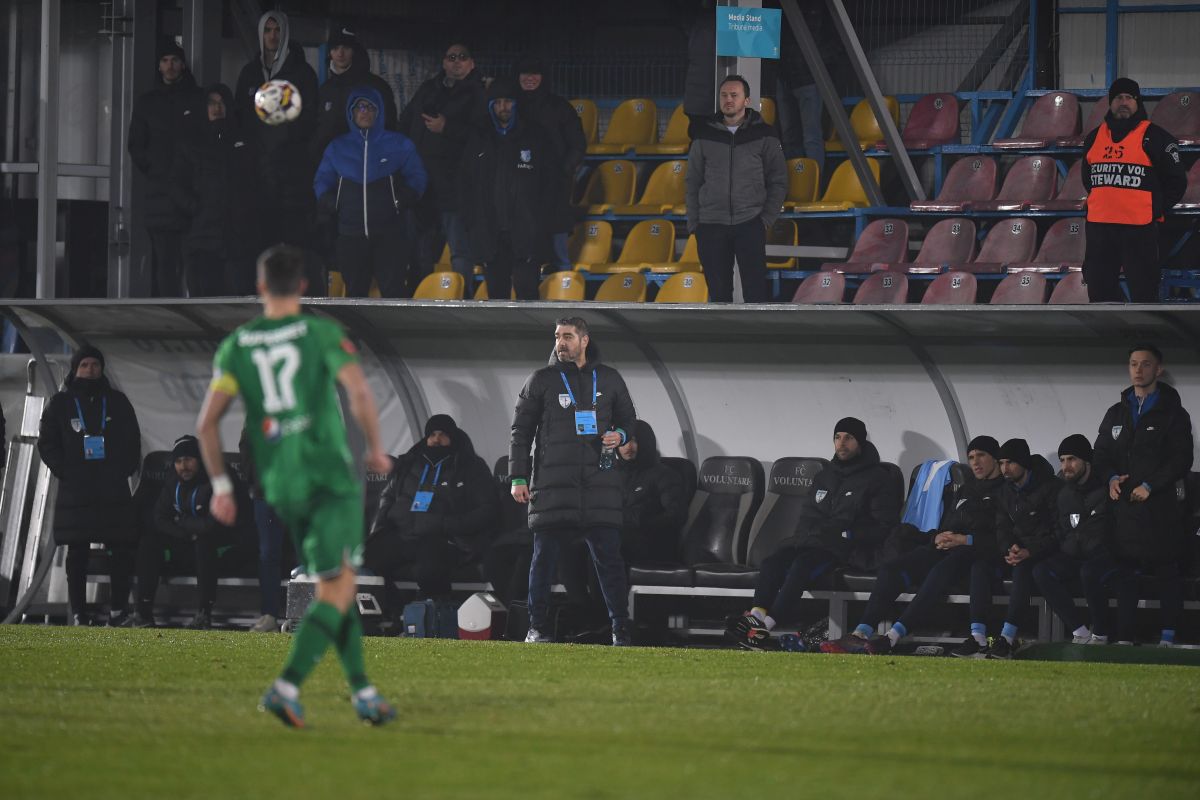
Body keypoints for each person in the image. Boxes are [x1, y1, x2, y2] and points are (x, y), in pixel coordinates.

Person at [196, 244, 396, 727]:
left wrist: (222, 486)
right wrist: (374, 447)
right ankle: (286, 688)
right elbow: (360, 391)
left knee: (336, 582)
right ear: (303, 286)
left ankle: (364, 692)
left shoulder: (237, 345)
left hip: (279, 482)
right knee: (338, 585)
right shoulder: (321, 333)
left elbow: (207, 426)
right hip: (326, 476)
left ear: (261, 287)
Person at [510, 317, 638, 646]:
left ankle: (620, 629)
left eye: (567, 336)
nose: (560, 342)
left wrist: (620, 435)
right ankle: (537, 628)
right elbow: (520, 433)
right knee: (542, 562)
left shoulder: (609, 378)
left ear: (584, 340)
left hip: (600, 487)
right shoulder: (540, 380)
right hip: (553, 488)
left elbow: (628, 419)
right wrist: (519, 477)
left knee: (610, 563)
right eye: (556, 336)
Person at [822, 435, 1006, 656]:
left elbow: (1004, 537)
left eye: (981, 456)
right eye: (971, 457)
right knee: (893, 568)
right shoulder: (965, 491)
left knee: (940, 571)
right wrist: (937, 538)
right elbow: (947, 525)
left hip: (976, 556)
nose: (975, 462)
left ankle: (892, 637)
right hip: (946, 549)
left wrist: (965, 540)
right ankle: (861, 632)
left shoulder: (1005, 492)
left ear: (995, 458)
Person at [727, 417, 902, 649]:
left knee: (803, 565)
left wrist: (847, 536)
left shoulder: (878, 479)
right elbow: (808, 515)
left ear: (860, 442)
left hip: (844, 550)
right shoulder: (824, 475)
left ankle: (765, 628)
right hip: (811, 542)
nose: (842, 443)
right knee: (772, 562)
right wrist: (803, 538)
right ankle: (756, 617)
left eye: (848, 438)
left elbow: (885, 526)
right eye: (837, 437)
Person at [1092, 343, 1193, 646]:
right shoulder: (1116, 412)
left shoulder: (1174, 413)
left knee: (1166, 572)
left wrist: (1150, 486)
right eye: (1133, 364)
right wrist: (1110, 478)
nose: (1138, 370)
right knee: (1124, 574)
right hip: (1124, 510)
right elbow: (1100, 454)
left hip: (1160, 509)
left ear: (1158, 370)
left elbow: (1181, 459)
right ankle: (1124, 638)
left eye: (1145, 364)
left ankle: (1168, 637)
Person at [37, 346, 141, 626]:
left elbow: (133, 440)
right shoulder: (60, 403)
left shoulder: (118, 402)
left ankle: (118, 612)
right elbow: (46, 442)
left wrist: (122, 470)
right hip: (76, 489)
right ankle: (80, 614)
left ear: (102, 368)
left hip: (112, 489)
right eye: (84, 364)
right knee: (77, 552)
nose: (90, 369)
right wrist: (65, 470)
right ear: (75, 369)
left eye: (95, 364)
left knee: (120, 550)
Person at [364, 413, 498, 603]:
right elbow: (388, 497)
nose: (436, 439)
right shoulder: (409, 463)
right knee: (366, 560)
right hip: (405, 535)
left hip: (445, 538)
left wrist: (445, 524)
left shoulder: (470, 466)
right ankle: (394, 613)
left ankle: (437, 617)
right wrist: (383, 528)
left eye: (442, 434)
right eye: (432, 434)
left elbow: (487, 510)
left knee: (429, 570)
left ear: (453, 436)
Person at [1081, 77, 1188, 302]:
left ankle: (1144, 337)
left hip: (1139, 229)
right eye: (1118, 97)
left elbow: (1176, 181)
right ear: (1110, 103)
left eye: (1130, 98)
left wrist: (1154, 208)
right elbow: (1088, 179)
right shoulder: (1094, 138)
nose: (1124, 102)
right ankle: (1108, 335)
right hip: (1100, 229)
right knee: (1099, 290)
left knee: (1144, 292)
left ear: (1138, 103)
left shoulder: (1156, 137)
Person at [314, 87, 427, 297]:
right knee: (355, 295)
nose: (365, 112)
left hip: (391, 235)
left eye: (370, 107)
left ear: (379, 112)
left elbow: (418, 176)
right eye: (359, 107)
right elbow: (322, 179)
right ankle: (356, 332)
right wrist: (331, 201)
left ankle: (394, 331)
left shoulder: (399, 144)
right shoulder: (338, 147)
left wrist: (403, 198)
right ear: (351, 112)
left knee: (393, 292)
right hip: (351, 235)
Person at [122, 435, 244, 629]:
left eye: (188, 459)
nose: (183, 466)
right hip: (187, 539)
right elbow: (160, 518)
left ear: (199, 459)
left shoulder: (218, 479)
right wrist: (186, 532)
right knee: (149, 543)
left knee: (205, 542)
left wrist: (182, 521)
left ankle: (204, 614)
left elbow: (214, 524)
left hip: (221, 546)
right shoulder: (173, 481)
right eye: (178, 461)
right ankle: (143, 613)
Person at [685, 75, 788, 303]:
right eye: (724, 95)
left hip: (750, 222)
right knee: (719, 295)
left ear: (746, 100)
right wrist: (694, 222)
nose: (728, 100)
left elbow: (779, 180)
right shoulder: (704, 134)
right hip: (710, 224)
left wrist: (766, 219)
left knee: (755, 294)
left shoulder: (765, 134)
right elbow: (692, 180)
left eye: (734, 95)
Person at [954, 438, 1059, 659]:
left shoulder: (1049, 488)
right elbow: (1001, 527)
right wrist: (1008, 547)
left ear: (1023, 463)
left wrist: (1028, 551)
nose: (1004, 469)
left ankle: (1007, 638)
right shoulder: (1006, 491)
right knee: (980, 566)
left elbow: (1055, 532)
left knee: (1024, 568)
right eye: (1001, 463)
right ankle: (978, 637)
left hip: (1041, 555)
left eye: (1010, 462)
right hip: (1014, 553)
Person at [233, 11, 320, 269]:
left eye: (277, 30)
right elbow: (241, 120)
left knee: (293, 243)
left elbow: (310, 119)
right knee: (260, 241)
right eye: (268, 30)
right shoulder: (249, 73)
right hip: (257, 175)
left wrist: (290, 149)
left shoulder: (303, 74)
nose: (272, 36)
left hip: (292, 175)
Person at [458, 78, 556, 301]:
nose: (503, 107)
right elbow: (465, 183)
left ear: (517, 104)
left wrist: (540, 221)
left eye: (508, 102)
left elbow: (550, 183)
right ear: (490, 105)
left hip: (526, 232)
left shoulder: (536, 135)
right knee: (496, 296)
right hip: (490, 233)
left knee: (528, 293)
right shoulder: (479, 137)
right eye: (498, 102)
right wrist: (471, 222)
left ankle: (531, 335)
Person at [398, 41, 485, 284]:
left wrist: (447, 127)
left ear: (471, 63)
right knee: (420, 248)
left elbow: (482, 135)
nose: (456, 61)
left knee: (459, 249)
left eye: (462, 57)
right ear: (444, 62)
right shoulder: (429, 88)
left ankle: (462, 301)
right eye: (451, 57)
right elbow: (405, 123)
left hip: (456, 183)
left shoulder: (479, 93)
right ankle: (420, 298)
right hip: (422, 182)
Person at [170, 83, 267, 296]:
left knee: (239, 299)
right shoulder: (191, 144)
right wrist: (196, 208)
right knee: (205, 299)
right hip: (202, 239)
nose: (217, 107)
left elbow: (260, 182)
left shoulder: (245, 141)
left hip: (239, 240)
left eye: (222, 102)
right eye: (212, 103)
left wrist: (249, 212)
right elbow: (176, 185)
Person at [127, 39, 205, 297]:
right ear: (159, 66)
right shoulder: (147, 103)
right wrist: (157, 170)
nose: (169, 66)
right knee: (165, 264)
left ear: (183, 64)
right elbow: (135, 145)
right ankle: (172, 318)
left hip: (193, 194)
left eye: (174, 60)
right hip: (160, 196)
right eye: (164, 61)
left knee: (195, 264)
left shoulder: (198, 99)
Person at [1032, 434, 1123, 644]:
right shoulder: (1064, 494)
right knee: (1041, 570)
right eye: (1062, 460)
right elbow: (1063, 529)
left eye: (1071, 459)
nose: (1066, 466)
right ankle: (1079, 631)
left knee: (1089, 571)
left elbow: (1112, 530)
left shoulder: (1106, 490)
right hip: (1075, 555)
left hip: (1104, 556)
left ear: (1086, 461)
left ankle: (1100, 634)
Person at [515, 55, 587, 270]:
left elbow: (577, 144)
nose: (530, 78)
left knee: (559, 252)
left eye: (535, 73)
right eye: (525, 73)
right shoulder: (510, 107)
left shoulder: (560, 107)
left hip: (554, 186)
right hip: (520, 188)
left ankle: (563, 292)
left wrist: (564, 170)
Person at [312, 23, 399, 162]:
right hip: (330, 166)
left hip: (363, 167)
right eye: (335, 48)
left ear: (354, 51)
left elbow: (388, 126)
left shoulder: (375, 86)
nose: (340, 53)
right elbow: (318, 128)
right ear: (330, 52)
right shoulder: (325, 89)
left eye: (345, 47)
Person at [775, 4, 836, 168]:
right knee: (791, 137)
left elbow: (834, 41)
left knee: (810, 137)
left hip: (808, 78)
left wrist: (815, 64)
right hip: (786, 76)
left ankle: (812, 186)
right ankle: (796, 183)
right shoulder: (783, 8)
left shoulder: (820, 8)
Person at [239, 426, 288, 633]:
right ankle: (270, 616)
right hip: (265, 494)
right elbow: (246, 444)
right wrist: (255, 478)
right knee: (268, 554)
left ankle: (310, 615)